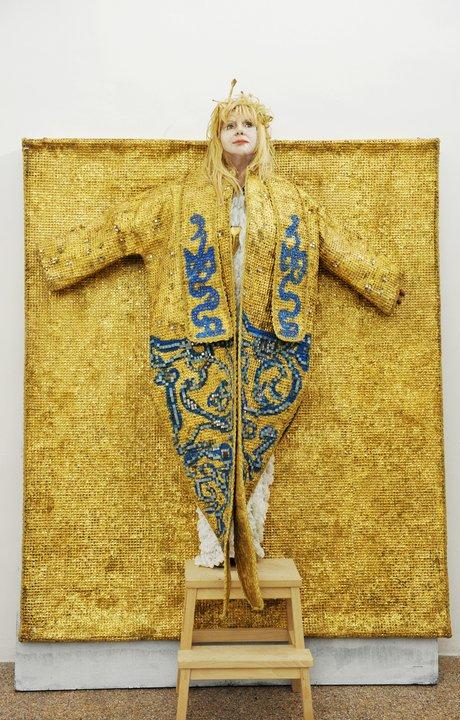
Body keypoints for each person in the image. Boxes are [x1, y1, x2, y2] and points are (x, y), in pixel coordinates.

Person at [38, 79, 406, 619]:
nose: (239, 131)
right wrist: (61, 263)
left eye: (247, 124)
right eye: (229, 124)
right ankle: (215, 549)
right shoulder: (180, 196)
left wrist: (385, 282)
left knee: (256, 448)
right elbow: (122, 228)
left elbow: (334, 245)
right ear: (216, 136)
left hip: (272, 342)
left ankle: (248, 544)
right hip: (191, 343)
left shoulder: (291, 201)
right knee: (206, 448)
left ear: (262, 134)